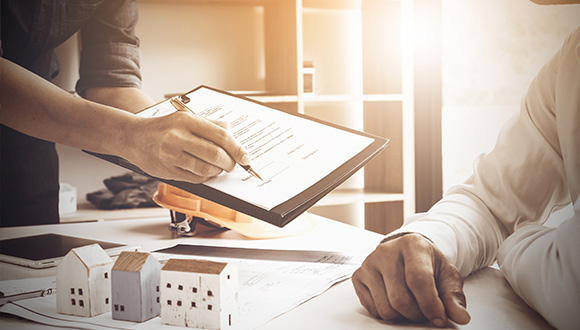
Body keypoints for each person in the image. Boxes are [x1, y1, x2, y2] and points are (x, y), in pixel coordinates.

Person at [352, 2, 580, 330]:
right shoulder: (571, 59)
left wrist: (516, 241)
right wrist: (424, 239)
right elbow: (491, 201)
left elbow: (571, 287)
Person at [0, 1, 250, 227]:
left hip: (31, 147)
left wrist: (179, 139)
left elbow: (112, 80)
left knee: (33, 263)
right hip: (33, 112)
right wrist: (131, 137)